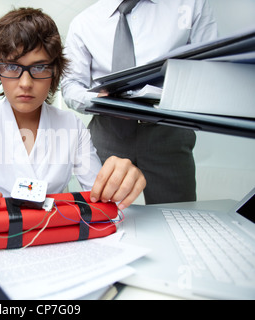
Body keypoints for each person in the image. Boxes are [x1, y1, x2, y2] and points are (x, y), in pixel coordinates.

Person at [0, 7, 146, 220]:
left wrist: (119, 184)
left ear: (55, 72)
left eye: (39, 67)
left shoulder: (71, 125)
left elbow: (103, 205)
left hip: (56, 236)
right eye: (13, 67)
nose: (25, 83)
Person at [61, 0, 218, 204]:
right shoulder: (83, 22)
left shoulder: (191, 5)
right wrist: (99, 101)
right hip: (107, 131)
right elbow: (70, 85)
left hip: (168, 129)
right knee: (100, 213)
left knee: (178, 214)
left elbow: (212, 66)